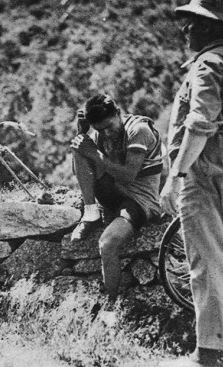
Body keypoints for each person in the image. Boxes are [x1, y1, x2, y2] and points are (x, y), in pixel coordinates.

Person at [159, 0, 223, 366]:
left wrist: (176, 174)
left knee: (206, 263)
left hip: (207, 169)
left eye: (192, 24)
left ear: (208, 27)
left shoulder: (208, 65)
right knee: (221, 260)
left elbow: (199, 124)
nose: (186, 30)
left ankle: (210, 355)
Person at [69, 94, 163, 306]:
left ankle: (111, 305)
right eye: (99, 130)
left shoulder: (139, 130)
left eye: (109, 126)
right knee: (79, 145)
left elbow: (128, 175)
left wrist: (94, 153)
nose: (106, 134)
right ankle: (91, 212)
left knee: (108, 243)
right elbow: (80, 165)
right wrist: (82, 133)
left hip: (139, 201)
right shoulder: (101, 132)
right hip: (114, 192)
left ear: (119, 113)